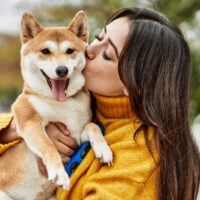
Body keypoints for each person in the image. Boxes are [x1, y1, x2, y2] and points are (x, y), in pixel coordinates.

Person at [0, 7, 200, 200]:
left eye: (107, 54)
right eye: (98, 37)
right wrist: (17, 131)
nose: (88, 49)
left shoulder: (139, 158)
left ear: (134, 84)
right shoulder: (83, 98)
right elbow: (25, 115)